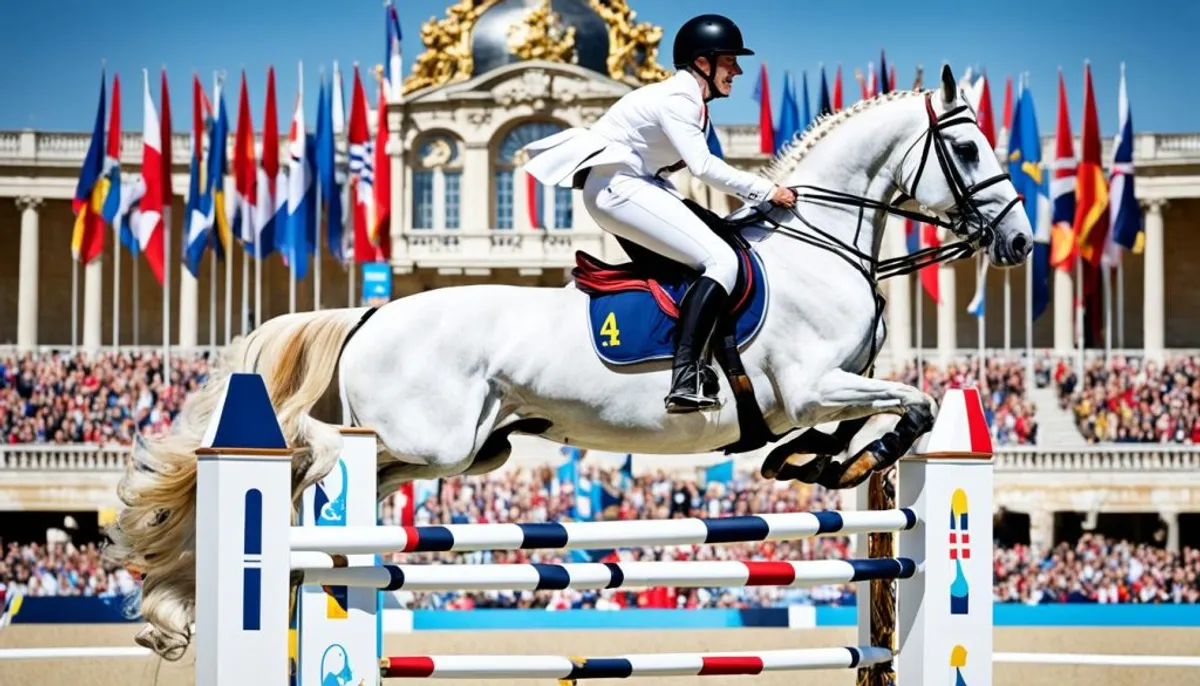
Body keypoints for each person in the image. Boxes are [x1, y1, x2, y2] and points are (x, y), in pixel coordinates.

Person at [523, 14, 797, 414]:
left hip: (632, 187)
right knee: (720, 260)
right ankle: (686, 377)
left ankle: (694, 360)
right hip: (621, 188)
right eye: (730, 60)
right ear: (703, 62)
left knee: (713, 249)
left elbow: (663, 175)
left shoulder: (689, 100)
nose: (736, 70)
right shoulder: (679, 99)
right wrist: (767, 189)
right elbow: (703, 167)